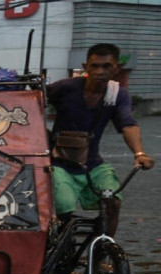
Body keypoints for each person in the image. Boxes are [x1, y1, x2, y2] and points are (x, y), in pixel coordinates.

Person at [48, 43, 154, 237]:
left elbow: (127, 123)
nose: (100, 72)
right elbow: (35, 101)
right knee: (64, 206)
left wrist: (139, 153)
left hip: (92, 164)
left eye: (107, 66)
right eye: (94, 66)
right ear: (85, 66)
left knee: (113, 201)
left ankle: (103, 249)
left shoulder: (117, 95)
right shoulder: (66, 88)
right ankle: (62, 249)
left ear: (117, 68)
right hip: (60, 164)